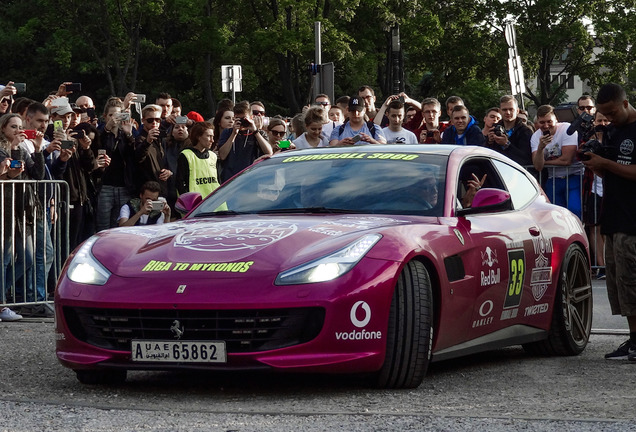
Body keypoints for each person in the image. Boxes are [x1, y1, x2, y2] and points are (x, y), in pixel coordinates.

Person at [582, 83, 636, 361]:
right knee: (620, 286)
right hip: (613, 216)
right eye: (604, 115)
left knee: (633, 281)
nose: (609, 119)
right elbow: (613, 173)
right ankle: (633, 340)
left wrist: (606, 165)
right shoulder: (614, 130)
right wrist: (597, 165)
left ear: (625, 103)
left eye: (612, 113)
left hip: (632, 220)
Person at [0, 113, 45, 311]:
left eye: (20, 127)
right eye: (13, 127)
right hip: (6, 209)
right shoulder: (2, 149)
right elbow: (14, 170)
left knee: (27, 256)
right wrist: (15, 148)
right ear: (3, 129)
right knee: (5, 258)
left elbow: (38, 174)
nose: (19, 131)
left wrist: (36, 149)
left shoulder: (23, 148)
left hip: (22, 210)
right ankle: (1, 302)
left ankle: (2, 294)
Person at [531, 104, 582, 218]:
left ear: (556, 119)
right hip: (553, 179)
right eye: (542, 122)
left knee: (575, 209)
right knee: (556, 214)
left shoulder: (567, 129)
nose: (546, 125)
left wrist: (544, 162)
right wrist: (540, 148)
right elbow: (538, 167)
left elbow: (566, 160)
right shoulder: (535, 137)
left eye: (549, 121)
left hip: (573, 176)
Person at [94, 99, 137, 230]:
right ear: (105, 116)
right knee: (103, 225)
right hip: (105, 186)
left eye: (118, 115)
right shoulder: (101, 133)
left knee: (118, 225)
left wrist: (129, 134)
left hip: (123, 186)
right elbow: (98, 146)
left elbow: (133, 156)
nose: (114, 119)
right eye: (111, 115)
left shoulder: (125, 133)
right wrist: (107, 129)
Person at [217, 102, 272, 182]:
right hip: (230, 179)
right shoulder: (228, 132)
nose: (242, 122)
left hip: (251, 179)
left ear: (251, 117)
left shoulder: (259, 133)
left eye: (244, 119)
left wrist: (255, 131)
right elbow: (222, 156)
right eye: (238, 119)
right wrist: (234, 134)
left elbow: (269, 152)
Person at [582, 111, 608, 279]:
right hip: (593, 189)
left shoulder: (616, 138)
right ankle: (601, 265)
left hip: (612, 190)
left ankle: (609, 262)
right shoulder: (588, 140)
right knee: (594, 228)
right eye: (600, 120)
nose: (603, 123)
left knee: (608, 229)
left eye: (606, 120)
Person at [487, 95, 535, 178]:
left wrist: (506, 144)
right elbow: (486, 153)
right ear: (500, 111)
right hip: (498, 174)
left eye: (511, 109)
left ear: (517, 111)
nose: (508, 112)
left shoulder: (525, 131)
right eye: (504, 109)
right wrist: (489, 142)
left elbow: (526, 158)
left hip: (519, 176)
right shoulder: (494, 128)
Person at [135, 104, 172, 198]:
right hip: (146, 192)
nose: (154, 123)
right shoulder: (138, 139)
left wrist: (169, 172)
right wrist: (147, 142)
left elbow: (164, 162)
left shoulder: (160, 139)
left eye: (158, 120)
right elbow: (138, 158)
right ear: (143, 120)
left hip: (161, 189)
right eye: (150, 120)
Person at [175, 121, 219, 198]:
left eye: (213, 136)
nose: (212, 140)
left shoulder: (213, 156)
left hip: (214, 203)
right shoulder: (186, 155)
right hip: (195, 204)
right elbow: (179, 183)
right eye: (209, 136)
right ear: (198, 137)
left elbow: (218, 181)